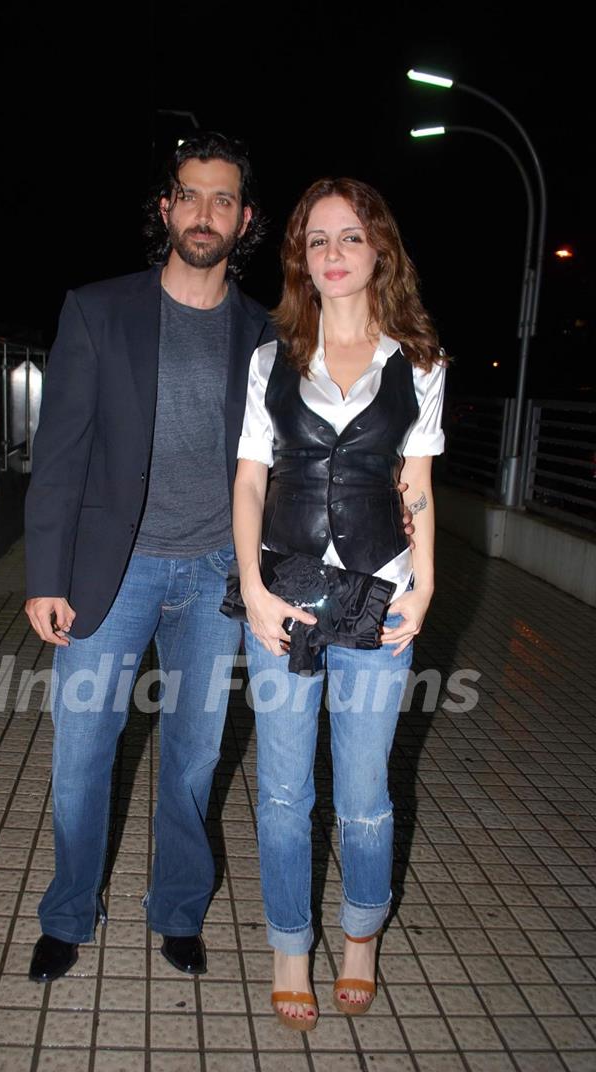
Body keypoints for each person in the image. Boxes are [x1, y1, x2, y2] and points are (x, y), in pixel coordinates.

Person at [23, 132, 278, 982]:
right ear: (166, 207)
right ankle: (69, 912)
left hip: (215, 576)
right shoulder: (99, 309)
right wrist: (45, 578)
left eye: (224, 199)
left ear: (244, 220)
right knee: (81, 756)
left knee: (195, 759)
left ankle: (176, 910)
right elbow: (59, 453)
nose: (205, 213)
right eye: (191, 196)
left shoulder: (267, 332)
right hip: (114, 570)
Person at [232, 177, 446, 1030]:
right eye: (316, 240)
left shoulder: (419, 361)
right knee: (283, 792)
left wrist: (425, 583)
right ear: (301, 259)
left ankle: (361, 936)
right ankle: (292, 945)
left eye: (349, 237)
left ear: (378, 249)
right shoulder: (270, 357)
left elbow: (416, 482)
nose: (332, 253)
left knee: (363, 791)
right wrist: (249, 585)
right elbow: (250, 479)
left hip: (381, 591)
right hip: (284, 590)